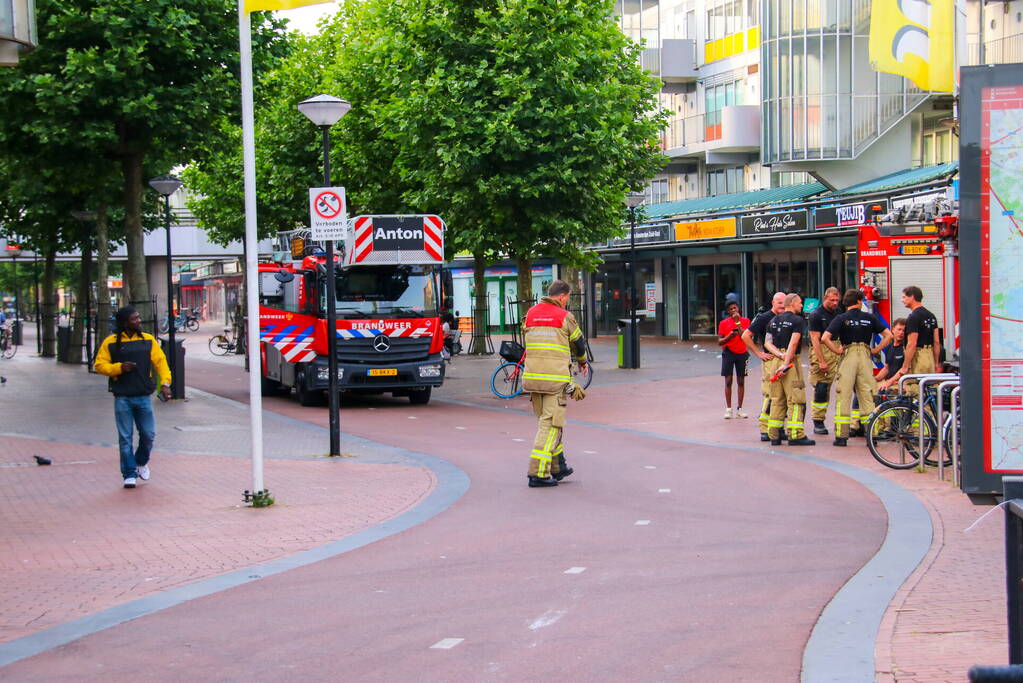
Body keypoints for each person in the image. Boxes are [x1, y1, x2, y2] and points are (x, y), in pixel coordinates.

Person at [94, 306, 172, 488]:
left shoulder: (148, 340)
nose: (138, 321)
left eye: (138, 318)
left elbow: (161, 363)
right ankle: (129, 473)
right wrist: (119, 367)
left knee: (149, 434)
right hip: (122, 396)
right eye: (134, 319)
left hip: (143, 395)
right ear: (124, 322)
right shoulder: (110, 342)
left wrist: (166, 384)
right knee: (125, 437)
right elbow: (99, 365)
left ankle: (141, 461)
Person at [522, 280, 588, 488]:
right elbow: (578, 342)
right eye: (567, 298)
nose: (567, 302)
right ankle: (538, 474)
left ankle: (558, 466)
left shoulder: (530, 313)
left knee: (549, 420)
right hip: (554, 380)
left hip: (533, 379)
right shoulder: (564, 316)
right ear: (562, 296)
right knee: (551, 425)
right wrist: (582, 362)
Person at [822, 289, 892, 446]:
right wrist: (875, 350)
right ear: (859, 301)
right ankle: (871, 435)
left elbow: (825, 338)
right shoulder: (869, 318)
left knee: (844, 394)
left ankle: (841, 437)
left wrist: (837, 350)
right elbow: (889, 335)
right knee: (867, 394)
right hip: (865, 356)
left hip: (848, 354)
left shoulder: (841, 318)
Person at [763, 293, 815, 446]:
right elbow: (793, 344)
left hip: (775, 361)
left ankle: (774, 435)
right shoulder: (798, 321)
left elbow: (767, 343)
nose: (801, 306)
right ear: (792, 303)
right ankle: (795, 435)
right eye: (800, 303)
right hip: (791, 363)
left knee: (777, 399)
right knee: (796, 399)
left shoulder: (773, 320)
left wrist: (779, 355)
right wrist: (786, 363)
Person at [742, 292, 786, 442]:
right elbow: (745, 335)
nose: (782, 306)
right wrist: (759, 353)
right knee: (770, 394)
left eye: (784, 303)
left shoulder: (785, 317)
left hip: (783, 360)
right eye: (780, 303)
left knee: (782, 395)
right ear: (773, 303)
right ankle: (764, 428)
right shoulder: (764, 318)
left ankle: (777, 427)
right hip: (770, 360)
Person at [892, 286, 941, 394]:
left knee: (915, 390)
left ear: (912, 297)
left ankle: (919, 411)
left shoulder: (913, 317)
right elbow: (936, 342)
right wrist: (936, 363)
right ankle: (930, 411)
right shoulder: (931, 316)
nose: (902, 300)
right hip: (930, 357)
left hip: (918, 357)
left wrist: (905, 367)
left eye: (904, 297)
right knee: (929, 390)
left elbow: (911, 344)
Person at [807, 287, 841, 435]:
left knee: (844, 386)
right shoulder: (816, 315)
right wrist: (821, 361)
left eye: (837, 300)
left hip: (838, 347)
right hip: (821, 349)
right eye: (832, 300)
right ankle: (818, 421)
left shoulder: (839, 312)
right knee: (821, 388)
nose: (835, 303)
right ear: (825, 298)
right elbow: (815, 339)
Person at [717, 300, 750, 419]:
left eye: (735, 308)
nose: (733, 310)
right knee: (728, 381)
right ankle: (728, 408)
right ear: (728, 311)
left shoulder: (746, 321)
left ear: (739, 308)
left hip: (742, 353)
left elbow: (745, 336)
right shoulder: (723, 323)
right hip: (728, 353)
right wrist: (730, 336)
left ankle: (740, 409)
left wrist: (738, 323)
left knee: (741, 381)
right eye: (731, 309)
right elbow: (720, 342)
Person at [876, 318, 907, 390]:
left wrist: (889, 382)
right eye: (899, 329)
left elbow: (905, 369)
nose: (901, 333)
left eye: (904, 330)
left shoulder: (906, 348)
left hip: (901, 383)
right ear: (893, 330)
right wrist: (875, 379)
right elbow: (886, 368)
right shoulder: (889, 346)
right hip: (889, 382)